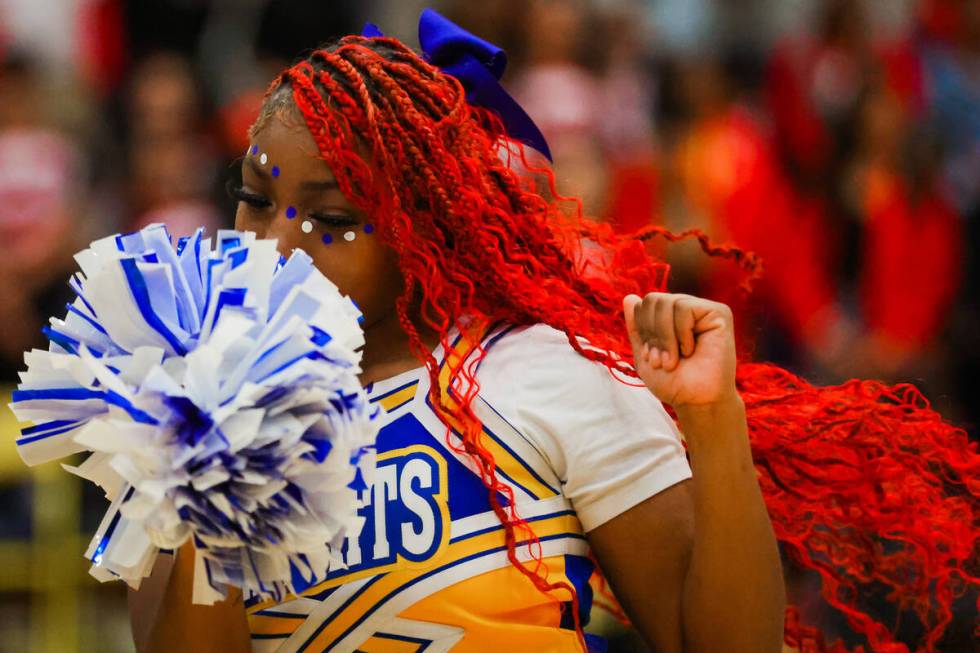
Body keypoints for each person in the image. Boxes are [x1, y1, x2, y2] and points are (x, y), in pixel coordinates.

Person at [128, 11, 977, 653]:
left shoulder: (540, 374)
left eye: (332, 217)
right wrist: (219, 462)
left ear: (421, 224)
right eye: (253, 197)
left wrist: (712, 421)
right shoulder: (192, 407)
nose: (274, 242)